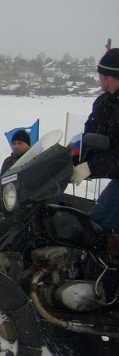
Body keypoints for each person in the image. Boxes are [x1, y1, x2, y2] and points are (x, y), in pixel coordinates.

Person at [72, 48, 119, 231]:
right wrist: (71, 157)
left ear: (112, 76)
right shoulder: (103, 102)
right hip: (113, 173)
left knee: (95, 227)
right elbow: (91, 137)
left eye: (102, 74)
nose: (99, 78)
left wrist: (91, 167)